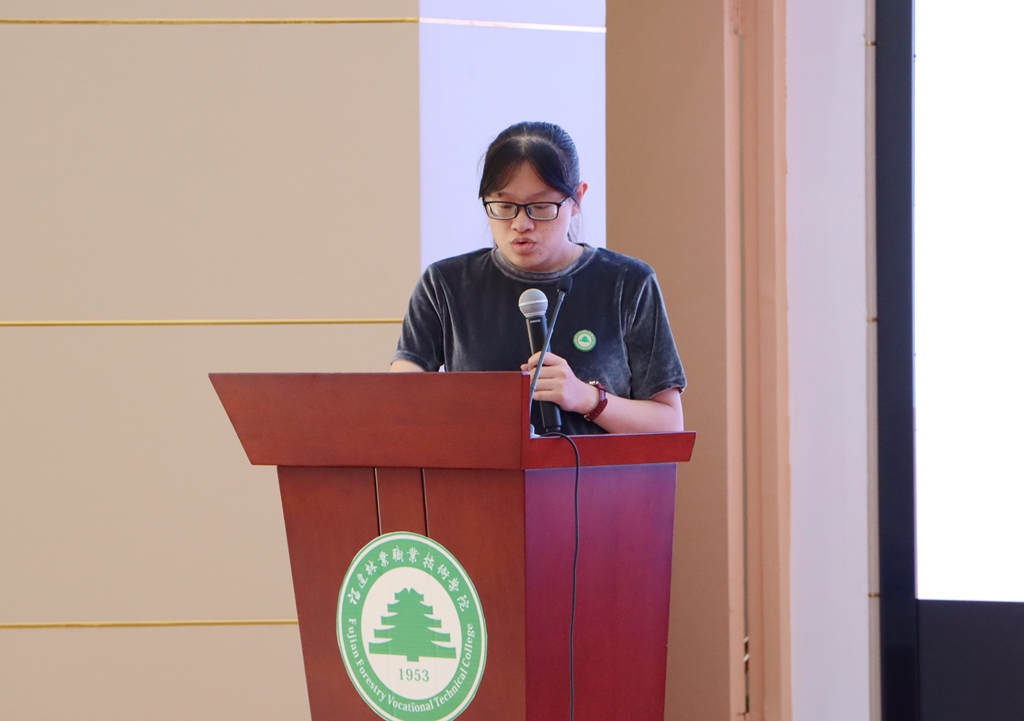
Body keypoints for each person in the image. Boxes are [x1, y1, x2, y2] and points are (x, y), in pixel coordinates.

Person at [391, 121, 686, 435]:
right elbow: (399, 398)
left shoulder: (628, 282)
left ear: (577, 198)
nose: (521, 224)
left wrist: (587, 398)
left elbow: (669, 424)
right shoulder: (446, 284)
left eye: (541, 206)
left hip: (596, 468)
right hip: (482, 467)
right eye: (504, 206)